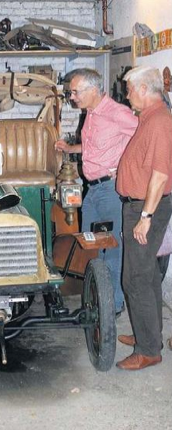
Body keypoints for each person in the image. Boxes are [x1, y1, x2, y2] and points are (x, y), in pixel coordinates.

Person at [55, 68, 138, 315]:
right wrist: (71, 147)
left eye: (75, 92)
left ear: (93, 90)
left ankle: (112, 307)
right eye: (71, 92)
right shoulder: (91, 112)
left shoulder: (118, 113)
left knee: (110, 249)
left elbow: (144, 140)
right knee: (93, 247)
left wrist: (125, 168)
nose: (72, 97)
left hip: (110, 191)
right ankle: (98, 301)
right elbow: (96, 147)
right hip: (91, 190)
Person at [116, 66, 172, 370]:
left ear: (144, 89)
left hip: (146, 208)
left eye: (129, 89)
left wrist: (146, 216)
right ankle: (148, 334)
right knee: (147, 274)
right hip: (139, 206)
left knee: (135, 279)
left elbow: (161, 175)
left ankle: (149, 349)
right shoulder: (149, 118)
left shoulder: (160, 121)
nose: (127, 96)